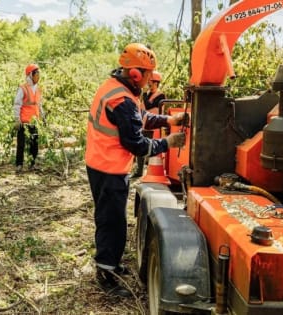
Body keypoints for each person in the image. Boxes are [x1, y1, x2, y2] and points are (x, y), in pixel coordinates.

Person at [85, 43, 186, 297]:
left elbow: (142, 118)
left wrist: (169, 120)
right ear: (136, 74)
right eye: (149, 73)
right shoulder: (121, 100)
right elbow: (137, 143)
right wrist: (167, 143)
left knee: (111, 218)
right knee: (112, 222)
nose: (151, 79)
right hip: (108, 168)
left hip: (102, 164)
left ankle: (112, 263)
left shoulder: (120, 90)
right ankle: (106, 275)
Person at [132, 70, 166, 178]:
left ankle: (152, 172)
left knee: (153, 150)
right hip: (144, 125)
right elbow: (142, 109)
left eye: (151, 82)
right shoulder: (145, 95)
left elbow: (155, 110)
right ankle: (139, 170)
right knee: (140, 148)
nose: (149, 84)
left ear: (156, 83)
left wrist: (146, 108)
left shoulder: (161, 96)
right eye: (148, 82)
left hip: (154, 128)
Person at [13, 63, 45, 173]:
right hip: (24, 121)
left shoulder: (38, 89)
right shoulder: (23, 88)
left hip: (34, 121)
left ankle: (32, 164)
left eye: (38, 73)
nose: (38, 76)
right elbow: (17, 104)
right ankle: (19, 165)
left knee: (34, 144)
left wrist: (43, 117)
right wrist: (17, 119)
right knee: (21, 144)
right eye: (36, 73)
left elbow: (39, 105)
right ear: (30, 75)